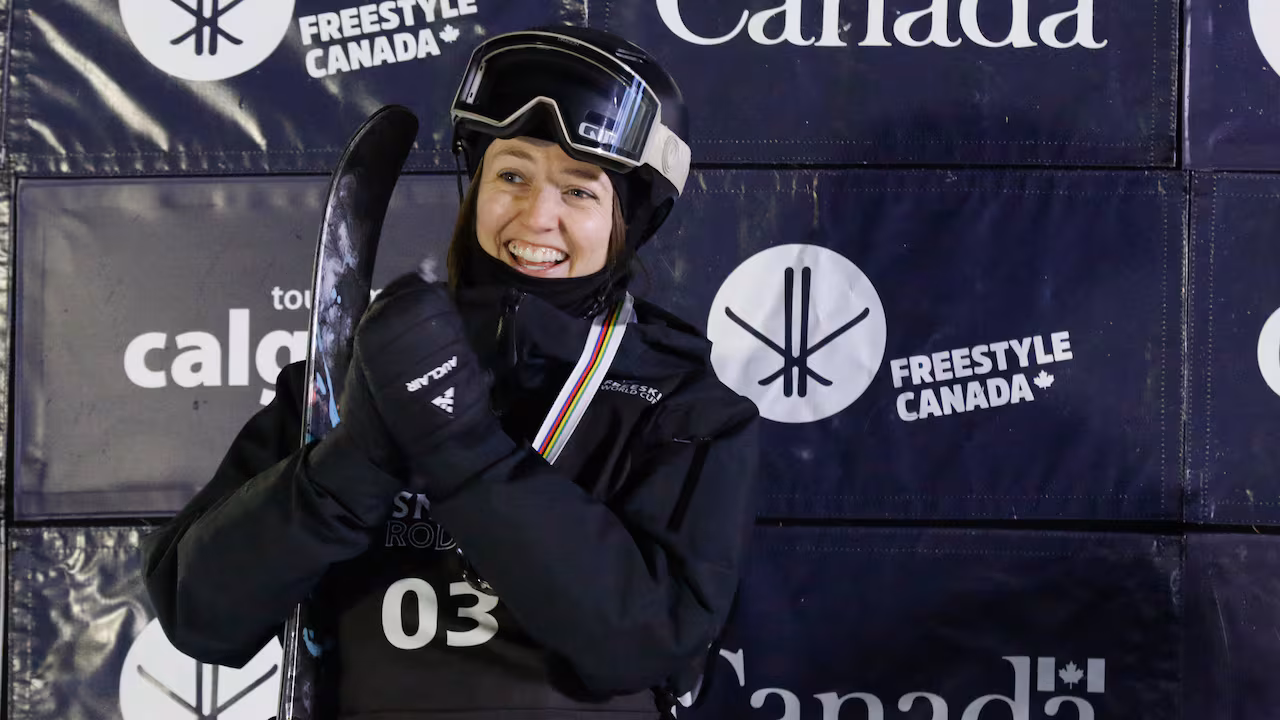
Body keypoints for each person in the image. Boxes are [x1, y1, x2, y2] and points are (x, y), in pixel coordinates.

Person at [141, 26, 760, 719]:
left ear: (631, 218)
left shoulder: (683, 411)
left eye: (580, 191)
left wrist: (462, 449)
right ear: (477, 184)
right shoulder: (353, 371)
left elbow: (647, 643)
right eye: (512, 175)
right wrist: (352, 463)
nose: (537, 215)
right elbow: (199, 615)